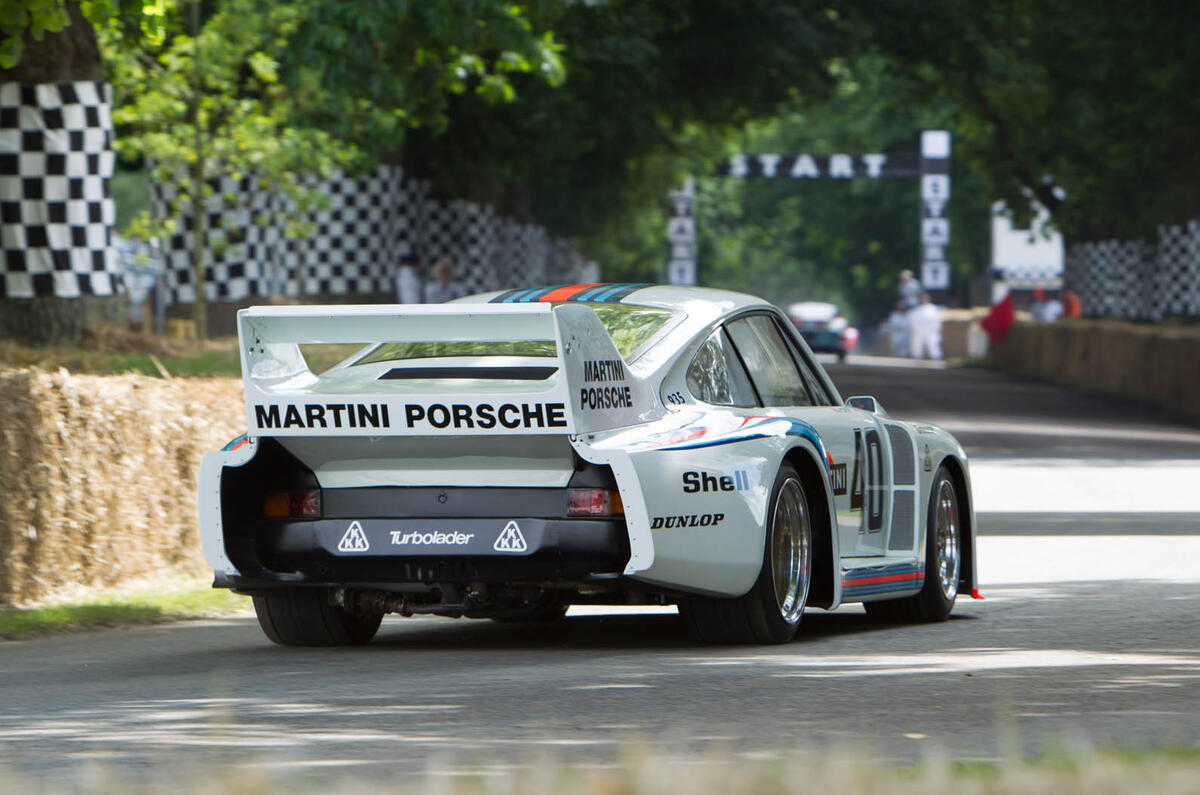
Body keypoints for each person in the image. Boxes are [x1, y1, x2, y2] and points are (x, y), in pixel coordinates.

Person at [908, 292, 942, 360]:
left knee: (933, 345)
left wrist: (937, 331)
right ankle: (916, 360)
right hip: (919, 331)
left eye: (925, 298)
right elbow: (912, 321)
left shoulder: (933, 309)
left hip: (930, 331)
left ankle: (936, 359)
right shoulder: (916, 310)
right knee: (917, 346)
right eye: (922, 298)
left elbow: (937, 321)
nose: (923, 300)